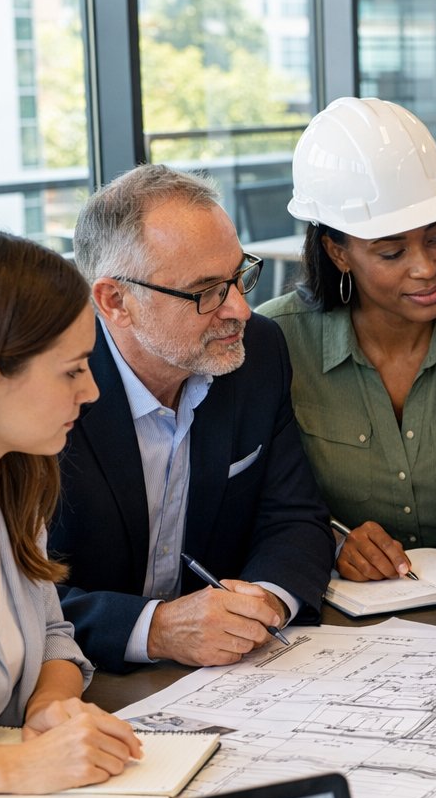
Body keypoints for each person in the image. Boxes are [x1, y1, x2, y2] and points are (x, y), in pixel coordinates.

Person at [50, 164, 333, 671]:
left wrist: (263, 603)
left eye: (239, 275)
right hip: (82, 683)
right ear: (116, 301)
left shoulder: (258, 354)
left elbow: (293, 518)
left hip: (225, 677)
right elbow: (14, 597)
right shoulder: (46, 391)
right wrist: (154, 629)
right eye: (206, 291)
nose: (241, 311)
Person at [261, 97, 436, 577]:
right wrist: (332, 541)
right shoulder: (278, 341)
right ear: (337, 253)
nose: (427, 268)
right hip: (349, 604)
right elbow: (263, 501)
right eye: (393, 252)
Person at [0, 227, 143, 798]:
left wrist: (51, 702)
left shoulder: (9, 488)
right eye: (72, 369)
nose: (93, 390)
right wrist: (17, 770)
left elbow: (53, 634)